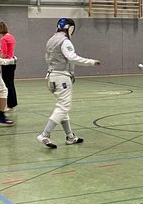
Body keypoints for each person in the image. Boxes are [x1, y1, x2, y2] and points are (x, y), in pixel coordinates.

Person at [37, 18, 100, 149]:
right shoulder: (65, 41)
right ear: (70, 28)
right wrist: (91, 62)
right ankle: (45, 134)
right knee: (63, 107)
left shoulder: (51, 40)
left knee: (62, 107)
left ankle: (70, 137)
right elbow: (72, 57)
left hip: (51, 76)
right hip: (61, 78)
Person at [0, 21, 17, 111]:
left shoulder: (3, 39)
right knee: (11, 83)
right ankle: (13, 103)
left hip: (6, 63)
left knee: (6, 84)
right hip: (12, 62)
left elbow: (4, 53)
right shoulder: (11, 37)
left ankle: (9, 104)